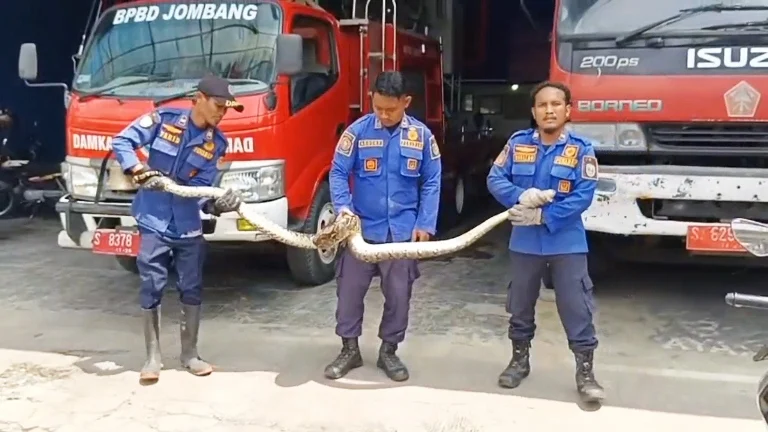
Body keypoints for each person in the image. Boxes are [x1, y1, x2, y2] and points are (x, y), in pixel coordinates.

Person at [111, 75, 244, 383]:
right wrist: (138, 169)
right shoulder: (165, 120)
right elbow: (122, 141)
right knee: (152, 284)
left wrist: (217, 204)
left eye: (227, 108)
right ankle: (153, 357)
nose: (222, 113)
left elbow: (202, 190)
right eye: (219, 105)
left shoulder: (216, 144)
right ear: (198, 98)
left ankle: (190, 354)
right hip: (153, 218)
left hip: (187, 225)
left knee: (192, 286)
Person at [486, 81, 604, 402]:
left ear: (568, 110)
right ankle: (519, 361)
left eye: (556, 104)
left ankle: (585, 372)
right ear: (533, 112)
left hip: (567, 242)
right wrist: (519, 195)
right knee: (520, 305)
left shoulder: (581, 148)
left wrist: (544, 217)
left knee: (576, 306)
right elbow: (494, 178)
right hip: (524, 243)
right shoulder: (517, 143)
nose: (549, 110)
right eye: (542, 105)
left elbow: (583, 195)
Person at [325, 71, 442, 382]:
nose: (384, 114)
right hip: (360, 232)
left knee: (399, 295)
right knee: (349, 293)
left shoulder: (422, 137)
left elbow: (431, 180)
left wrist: (425, 222)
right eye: (378, 108)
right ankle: (349, 349)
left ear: (406, 102)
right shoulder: (357, 132)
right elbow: (337, 172)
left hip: (401, 234)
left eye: (391, 109)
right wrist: (344, 209)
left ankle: (389, 351)